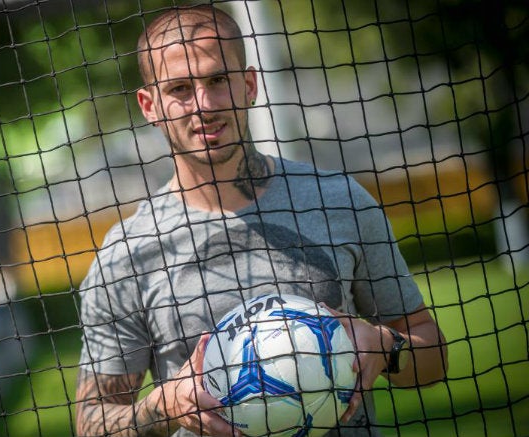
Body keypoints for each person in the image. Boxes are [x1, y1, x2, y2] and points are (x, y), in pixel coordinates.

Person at [74, 4, 448, 437]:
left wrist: (386, 347)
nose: (205, 105)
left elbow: (432, 352)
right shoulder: (128, 252)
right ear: (150, 105)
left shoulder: (339, 201)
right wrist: (163, 406)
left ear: (249, 84)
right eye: (180, 88)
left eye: (218, 80)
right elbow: (92, 423)